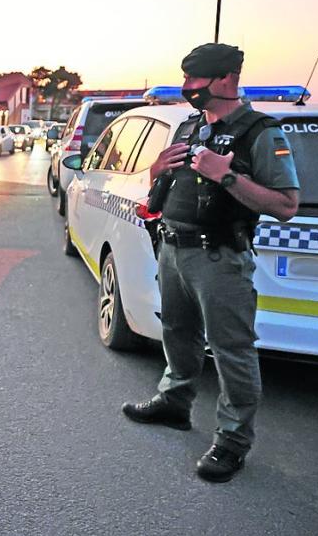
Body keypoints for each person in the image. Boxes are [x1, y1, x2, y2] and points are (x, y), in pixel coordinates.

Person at [122, 43, 300, 483]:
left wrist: (227, 174)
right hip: (173, 247)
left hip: (219, 257)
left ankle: (233, 441)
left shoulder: (260, 132)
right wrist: (155, 171)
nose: (188, 89)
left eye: (195, 81)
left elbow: (286, 205)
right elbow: (164, 186)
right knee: (177, 332)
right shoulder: (189, 126)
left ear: (226, 80)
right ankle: (174, 401)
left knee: (232, 350)